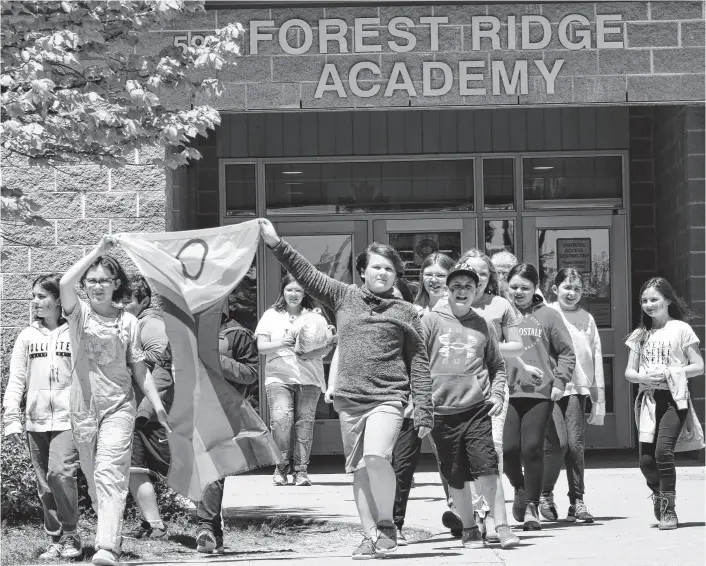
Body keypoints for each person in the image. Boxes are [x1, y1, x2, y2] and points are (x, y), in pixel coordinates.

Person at [259, 219, 433, 560]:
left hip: (388, 397)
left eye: (389, 269)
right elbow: (306, 273)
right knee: (359, 470)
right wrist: (276, 243)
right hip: (350, 401)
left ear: (397, 276)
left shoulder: (406, 311)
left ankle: (386, 523)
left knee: (376, 456)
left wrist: (423, 406)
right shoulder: (344, 296)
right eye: (376, 267)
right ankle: (371, 536)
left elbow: (419, 363)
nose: (382, 273)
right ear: (363, 271)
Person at [60, 236, 170, 566]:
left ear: (115, 284)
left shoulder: (129, 321)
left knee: (110, 473)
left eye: (104, 280)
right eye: (91, 281)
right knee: (95, 482)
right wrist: (96, 252)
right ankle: (115, 536)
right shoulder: (78, 315)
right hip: (84, 409)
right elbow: (65, 282)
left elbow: (139, 370)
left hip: (118, 406)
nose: (97, 286)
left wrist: (158, 405)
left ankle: (106, 547)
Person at [422, 264, 521, 550]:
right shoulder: (430, 321)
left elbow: (497, 366)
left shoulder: (484, 324)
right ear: (447, 290)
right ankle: (469, 529)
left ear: (476, 291)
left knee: (487, 468)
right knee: (456, 475)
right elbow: (417, 364)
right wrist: (420, 404)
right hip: (441, 411)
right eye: (456, 287)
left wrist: (498, 395)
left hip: (477, 409)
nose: (462, 291)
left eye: (468, 286)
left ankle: (501, 526)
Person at [3, 275, 82, 560]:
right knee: (44, 482)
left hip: (68, 418)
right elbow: (17, 380)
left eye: (40, 296)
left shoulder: (75, 332)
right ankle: (55, 539)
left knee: (60, 473)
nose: (35, 302)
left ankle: (72, 532)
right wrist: (11, 418)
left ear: (58, 299)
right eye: (33, 297)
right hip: (35, 419)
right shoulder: (27, 336)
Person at [455, 250, 525, 541]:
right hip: (457, 391)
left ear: (490, 277)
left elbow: (517, 346)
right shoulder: (450, 306)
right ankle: (476, 515)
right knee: (462, 456)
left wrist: (485, 343)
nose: (478, 277)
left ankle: (497, 519)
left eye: (484, 272)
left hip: (493, 387)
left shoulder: (500, 305)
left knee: (492, 448)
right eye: (472, 271)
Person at [625, 277, 704, 530]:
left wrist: (674, 371)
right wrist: (642, 377)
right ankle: (658, 494)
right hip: (647, 401)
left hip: (674, 400)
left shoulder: (681, 329)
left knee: (663, 452)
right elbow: (629, 372)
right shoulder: (639, 334)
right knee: (646, 461)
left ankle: (670, 509)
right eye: (645, 300)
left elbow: (699, 366)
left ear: (668, 300)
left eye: (654, 299)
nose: (649, 304)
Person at [503, 263, 575, 531]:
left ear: (536, 289)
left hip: (539, 393)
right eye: (514, 287)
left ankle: (532, 505)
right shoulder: (501, 314)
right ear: (505, 286)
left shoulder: (549, 315)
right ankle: (520, 489)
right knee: (509, 451)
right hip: (506, 392)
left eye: (525, 287)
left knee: (531, 449)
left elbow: (567, 353)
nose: (519, 292)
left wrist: (560, 381)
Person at [255, 274, 334, 487]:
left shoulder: (315, 316)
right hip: (279, 377)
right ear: (283, 290)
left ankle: (301, 471)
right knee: (281, 421)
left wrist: (324, 343)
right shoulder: (272, 315)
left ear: (305, 292)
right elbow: (261, 348)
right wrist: (284, 342)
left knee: (305, 424)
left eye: (298, 290)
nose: (294, 294)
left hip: (309, 378)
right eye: (290, 289)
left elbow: (325, 348)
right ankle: (281, 466)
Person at [540, 268, 606, 524]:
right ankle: (545, 494)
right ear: (555, 288)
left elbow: (596, 355)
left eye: (577, 289)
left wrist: (597, 395)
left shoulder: (587, 319)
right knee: (558, 444)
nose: (572, 293)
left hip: (578, 389)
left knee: (576, 447)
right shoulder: (546, 313)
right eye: (567, 287)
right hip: (553, 389)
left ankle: (577, 501)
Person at [195, 306, 260, 553]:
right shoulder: (186, 331)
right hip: (190, 407)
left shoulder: (237, 334)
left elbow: (251, 373)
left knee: (211, 467)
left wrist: (217, 358)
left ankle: (206, 528)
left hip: (223, 408)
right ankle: (214, 533)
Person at [122, 275, 174, 540]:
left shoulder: (150, 323)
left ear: (143, 300)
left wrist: (127, 358)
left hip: (152, 412)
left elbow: (163, 357)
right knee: (135, 469)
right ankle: (154, 525)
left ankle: (208, 521)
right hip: (137, 410)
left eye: (128, 300)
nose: (121, 304)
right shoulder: (133, 322)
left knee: (173, 467)